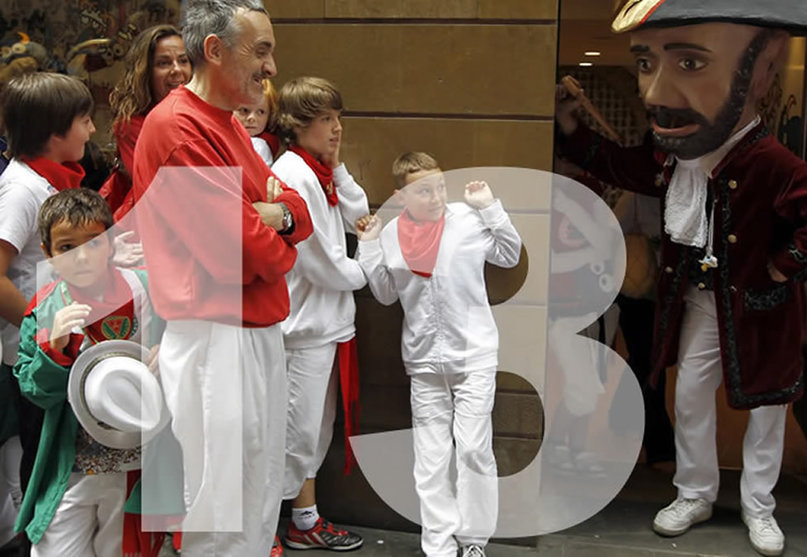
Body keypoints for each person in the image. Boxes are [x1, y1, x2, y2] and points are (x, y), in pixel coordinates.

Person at [555, 2, 807, 555]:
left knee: (768, 407)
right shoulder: (671, 156)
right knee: (693, 396)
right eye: (647, 66)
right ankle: (695, 491)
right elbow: (621, 165)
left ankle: (759, 506)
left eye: (690, 65)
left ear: (762, 69)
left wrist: (780, 268)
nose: (655, 93)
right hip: (698, 299)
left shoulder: (769, 161)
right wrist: (572, 128)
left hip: (761, 308)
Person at [130, 1, 313, 555]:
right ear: (214, 50)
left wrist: (274, 215)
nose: (272, 68)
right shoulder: (179, 128)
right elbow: (244, 252)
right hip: (217, 338)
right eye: (261, 51)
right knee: (223, 516)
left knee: (253, 504)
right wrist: (273, 224)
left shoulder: (224, 125)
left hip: (243, 336)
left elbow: (295, 212)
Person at [356, 152, 521, 557]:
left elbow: (509, 254)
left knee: (472, 449)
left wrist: (490, 208)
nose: (435, 197)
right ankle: (438, 547)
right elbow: (384, 292)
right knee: (430, 460)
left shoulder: (466, 219)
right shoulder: (393, 232)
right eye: (423, 190)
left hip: (474, 355)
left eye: (440, 186)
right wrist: (370, 245)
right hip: (424, 360)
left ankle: (473, 541)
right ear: (402, 194)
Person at [12, 188, 162, 556]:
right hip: (70, 466)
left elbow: (187, 338)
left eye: (93, 243)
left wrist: (170, 350)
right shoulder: (47, 308)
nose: (81, 256)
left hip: (136, 467)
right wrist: (54, 349)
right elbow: (33, 389)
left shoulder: (145, 289)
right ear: (47, 253)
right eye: (66, 248)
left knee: (124, 549)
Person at [0, 71, 95, 556]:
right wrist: (42, 330)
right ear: (55, 130)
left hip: (63, 356)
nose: (92, 131)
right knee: (41, 473)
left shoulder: (50, 182)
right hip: (37, 360)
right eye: (84, 120)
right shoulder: (22, 190)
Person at [270, 76, 366, 552]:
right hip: (302, 327)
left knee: (316, 429)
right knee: (295, 432)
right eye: (325, 120)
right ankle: (272, 526)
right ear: (297, 125)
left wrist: (338, 165)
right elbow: (321, 260)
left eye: (337, 118)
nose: (336, 129)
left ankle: (303, 520)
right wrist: (369, 266)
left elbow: (357, 213)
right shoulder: (293, 173)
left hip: (324, 324)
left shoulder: (317, 169)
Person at [102, 24, 192, 220]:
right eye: (164, 63)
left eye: (183, 60)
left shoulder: (201, 115)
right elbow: (160, 192)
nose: (177, 70)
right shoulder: (131, 126)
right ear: (145, 72)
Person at [236, 79, 280, 166]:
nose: (252, 118)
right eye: (244, 110)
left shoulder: (259, 146)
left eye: (261, 112)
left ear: (270, 116)